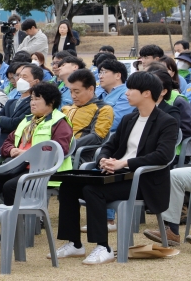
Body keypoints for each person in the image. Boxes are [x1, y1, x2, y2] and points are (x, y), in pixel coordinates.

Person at [52, 72, 178, 265]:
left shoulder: (166, 121)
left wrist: (124, 163)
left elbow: (164, 155)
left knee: (92, 190)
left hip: (144, 181)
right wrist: (104, 159)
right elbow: (110, 146)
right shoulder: (129, 118)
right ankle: (74, 243)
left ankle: (104, 247)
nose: (126, 93)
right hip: (118, 174)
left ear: (146, 93)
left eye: (131, 89)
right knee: (68, 186)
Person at [0, 82, 73, 244]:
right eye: (32, 99)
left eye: (37, 99)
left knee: (10, 186)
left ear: (51, 102)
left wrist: (27, 153)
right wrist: (12, 150)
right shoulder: (27, 121)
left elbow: (60, 149)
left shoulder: (60, 122)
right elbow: (6, 143)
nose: (32, 103)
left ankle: (17, 233)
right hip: (17, 167)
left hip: (42, 171)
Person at [61, 69, 113, 161]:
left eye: (77, 92)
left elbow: (97, 137)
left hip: (78, 156)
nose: (73, 96)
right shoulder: (66, 108)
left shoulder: (103, 109)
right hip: (58, 151)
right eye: (71, 91)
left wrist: (68, 146)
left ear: (90, 89)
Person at [0, 64, 43, 149]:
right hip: (0, 144)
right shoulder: (10, 103)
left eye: (24, 77)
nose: (19, 79)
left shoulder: (34, 104)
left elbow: (16, 124)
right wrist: (4, 120)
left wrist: (1, 120)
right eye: (19, 76)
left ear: (36, 82)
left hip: (16, 147)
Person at [98, 58, 133, 131]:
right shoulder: (100, 92)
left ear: (117, 75)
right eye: (100, 73)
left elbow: (114, 121)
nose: (100, 76)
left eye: (104, 72)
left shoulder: (127, 94)